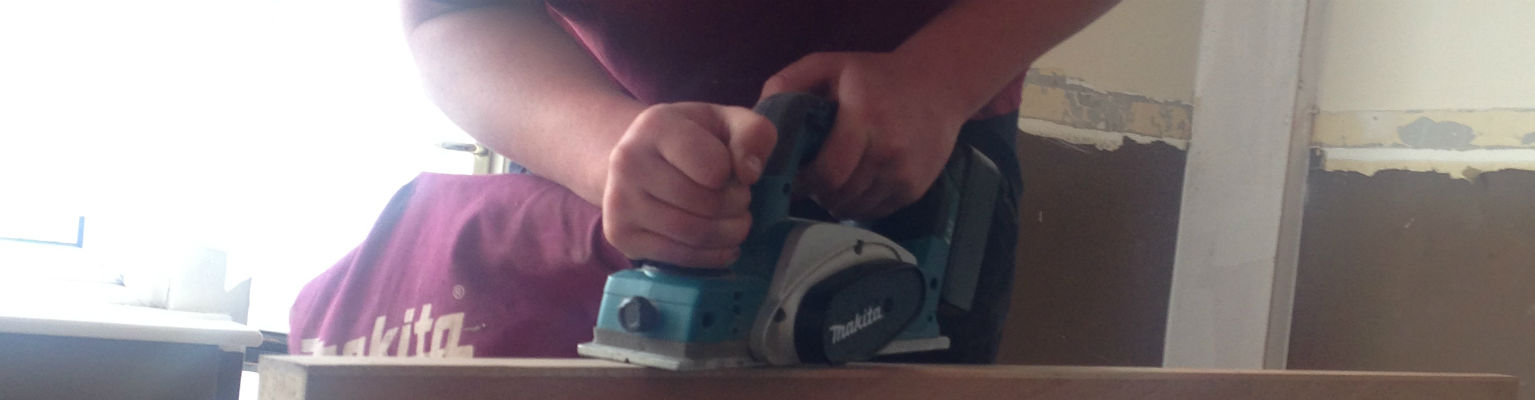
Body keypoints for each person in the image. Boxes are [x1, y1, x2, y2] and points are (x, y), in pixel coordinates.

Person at [289, 0, 1116, 362]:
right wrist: (610, 151)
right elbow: (452, 12)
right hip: (609, 154)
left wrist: (940, 76)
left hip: (918, 148)